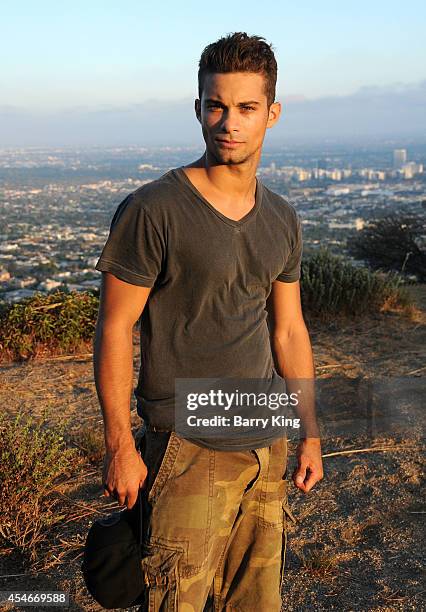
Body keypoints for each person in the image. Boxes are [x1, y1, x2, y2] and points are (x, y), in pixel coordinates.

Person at [93, 32, 323, 611]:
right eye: (216, 105)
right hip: (186, 446)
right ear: (198, 107)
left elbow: (289, 331)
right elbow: (115, 328)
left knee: (257, 602)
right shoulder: (154, 210)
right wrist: (121, 442)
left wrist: (310, 432)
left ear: (272, 113)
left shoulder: (282, 218)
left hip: (266, 440)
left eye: (246, 108)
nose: (229, 123)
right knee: (178, 602)